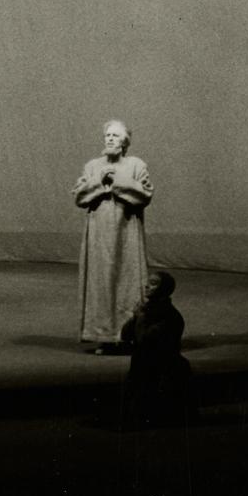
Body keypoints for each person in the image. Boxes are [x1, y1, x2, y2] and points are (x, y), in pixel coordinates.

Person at [74, 119, 152, 352]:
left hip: (126, 232)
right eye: (107, 135)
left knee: (127, 279)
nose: (109, 139)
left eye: (115, 136)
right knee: (101, 281)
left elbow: (145, 194)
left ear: (124, 142)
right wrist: (99, 180)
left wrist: (117, 181)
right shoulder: (92, 166)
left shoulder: (136, 165)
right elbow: (79, 195)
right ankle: (104, 335)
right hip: (99, 235)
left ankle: (128, 335)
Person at [118, 271, 194, 427]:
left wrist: (140, 317)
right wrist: (135, 317)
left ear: (164, 289)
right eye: (148, 282)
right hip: (143, 365)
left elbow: (144, 340)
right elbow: (125, 335)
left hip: (160, 369)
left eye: (153, 283)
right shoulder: (147, 310)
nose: (147, 286)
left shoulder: (169, 315)